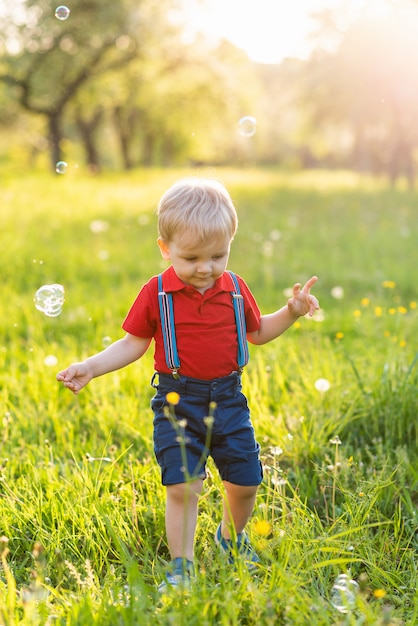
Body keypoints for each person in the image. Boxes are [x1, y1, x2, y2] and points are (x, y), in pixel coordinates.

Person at [57, 177, 319, 590]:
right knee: (183, 485)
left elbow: (259, 332)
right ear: (165, 249)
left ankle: (231, 538)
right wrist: (90, 366)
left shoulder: (234, 289)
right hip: (178, 401)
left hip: (229, 400)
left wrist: (292, 311)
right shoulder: (156, 293)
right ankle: (182, 566)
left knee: (246, 482)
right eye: (191, 256)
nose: (205, 268)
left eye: (218, 255)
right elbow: (132, 343)